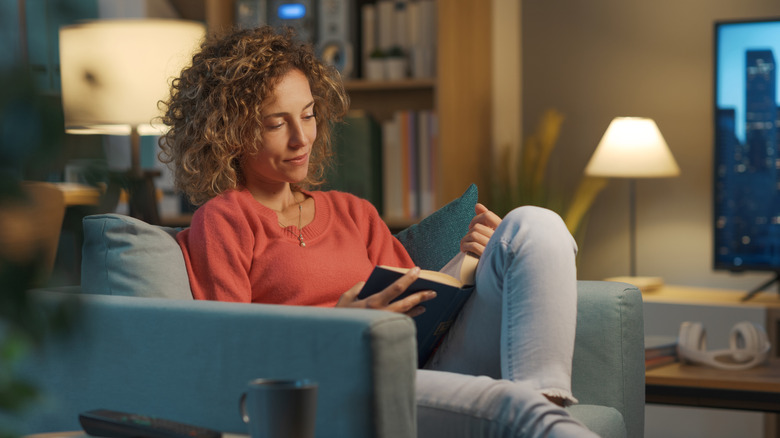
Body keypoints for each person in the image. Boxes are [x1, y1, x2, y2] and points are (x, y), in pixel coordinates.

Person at [160, 26, 598, 438]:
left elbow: (424, 308)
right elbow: (229, 353)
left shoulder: (354, 213)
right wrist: (338, 326)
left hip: (420, 363)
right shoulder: (224, 220)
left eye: (308, 116)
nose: (301, 138)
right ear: (229, 135)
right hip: (335, 383)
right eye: (277, 124)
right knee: (512, 404)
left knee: (533, 225)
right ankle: (539, 418)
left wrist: (483, 263)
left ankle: (548, 401)